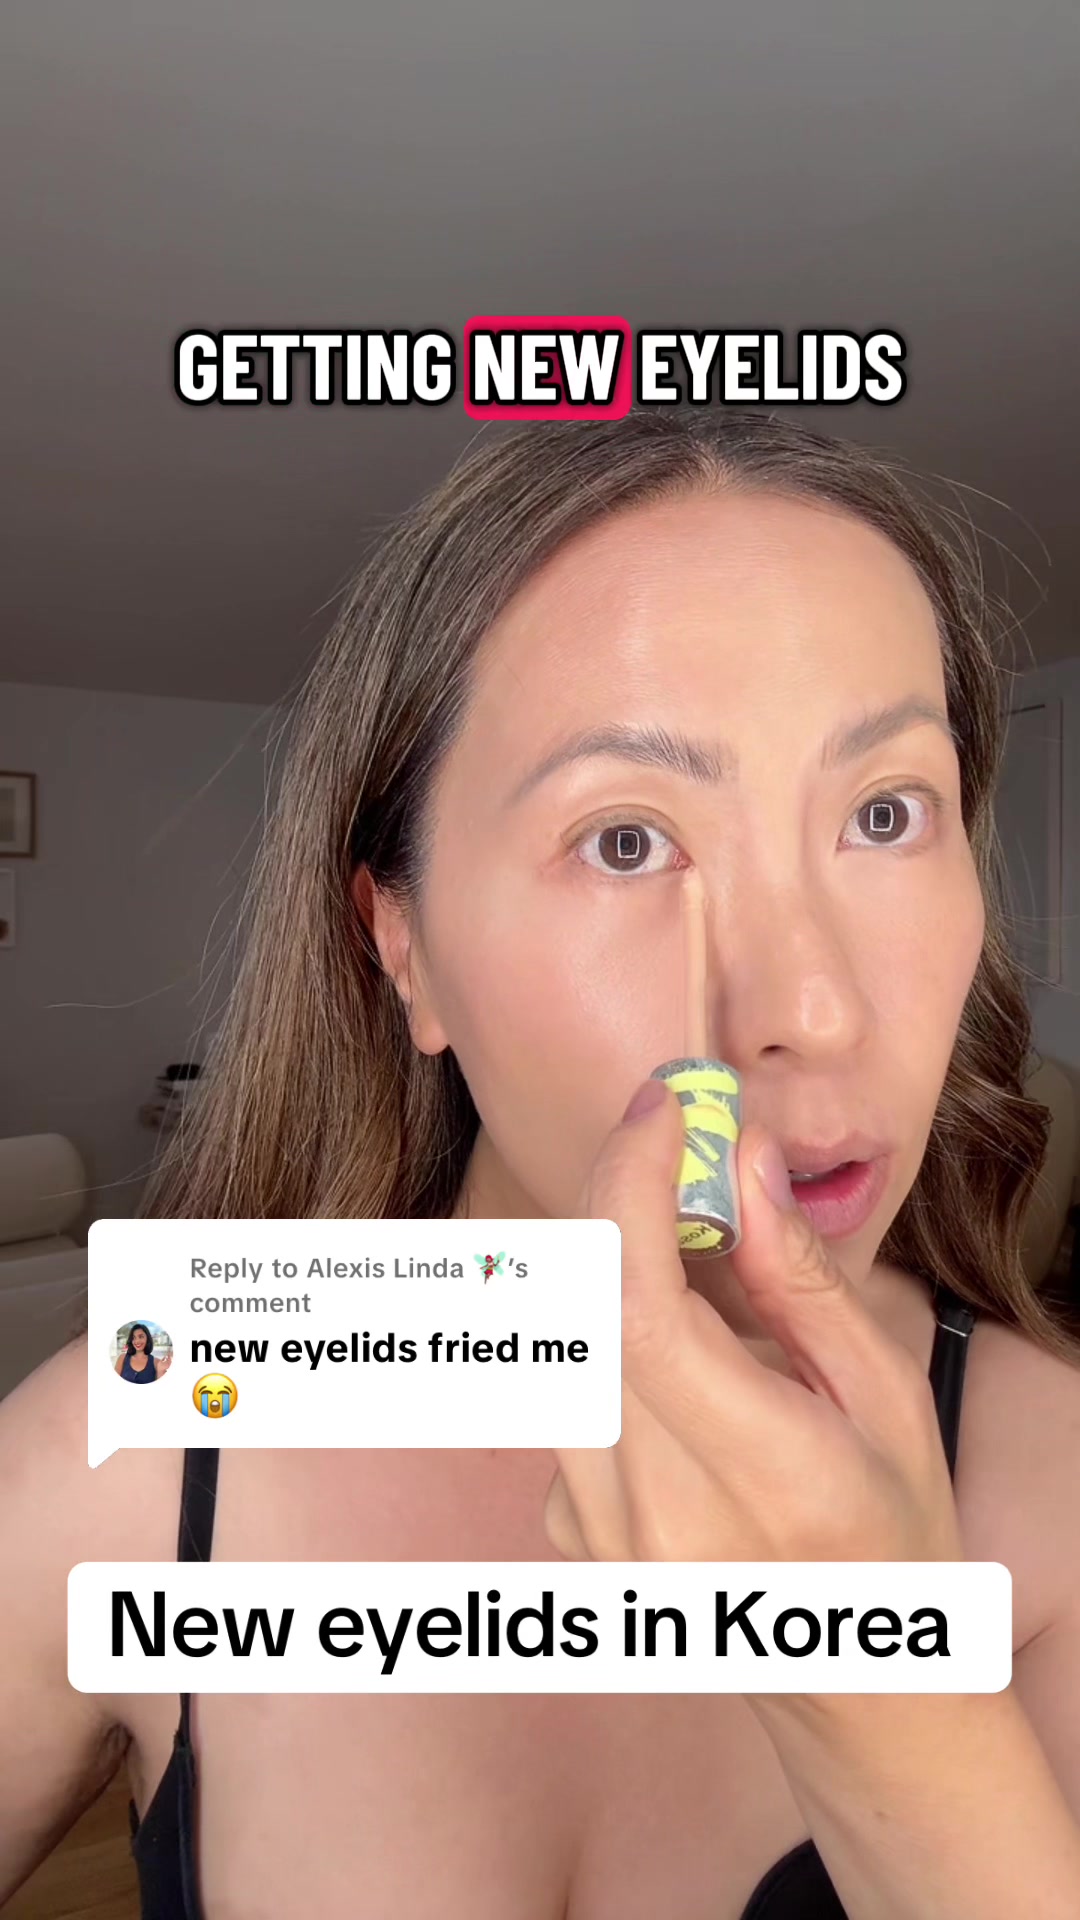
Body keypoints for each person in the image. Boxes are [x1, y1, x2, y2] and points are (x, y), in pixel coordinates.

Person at [1, 411, 1078, 1919]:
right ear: (403, 944)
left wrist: (883, 1693)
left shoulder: (1055, 1476)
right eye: (626, 840)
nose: (814, 1009)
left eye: (886, 814)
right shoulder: (155, 1419)